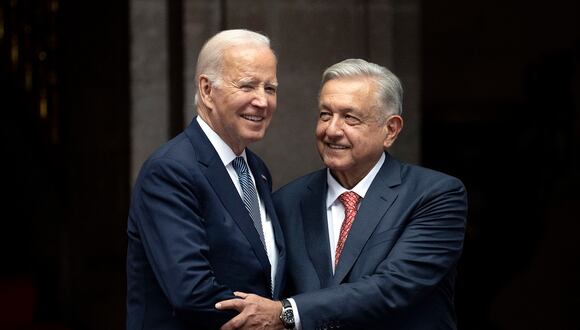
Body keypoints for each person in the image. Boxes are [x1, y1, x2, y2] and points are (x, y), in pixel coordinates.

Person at [216, 59, 467, 329]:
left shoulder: (435, 195)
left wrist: (288, 313)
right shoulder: (286, 203)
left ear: (390, 130)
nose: (332, 130)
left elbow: (393, 287)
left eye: (350, 118)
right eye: (325, 114)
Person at [126, 29, 286, 330]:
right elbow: (192, 292)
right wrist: (278, 319)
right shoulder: (170, 171)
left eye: (271, 88)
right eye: (248, 85)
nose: (262, 101)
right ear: (207, 90)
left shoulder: (257, 169)